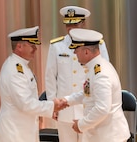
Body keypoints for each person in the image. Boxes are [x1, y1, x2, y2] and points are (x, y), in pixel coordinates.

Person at [45, 6, 109, 142]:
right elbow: (50, 77)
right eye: (68, 24)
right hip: (65, 111)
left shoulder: (97, 44)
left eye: (75, 23)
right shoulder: (57, 46)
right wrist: (53, 106)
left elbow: (104, 73)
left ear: (83, 23)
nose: (71, 28)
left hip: (89, 109)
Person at [0, 26, 68, 142]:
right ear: (19, 46)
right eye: (32, 45)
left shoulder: (21, 66)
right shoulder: (14, 70)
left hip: (23, 130)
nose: (35, 49)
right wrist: (52, 106)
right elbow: (25, 104)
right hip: (14, 132)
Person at [62, 28, 130, 142]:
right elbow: (88, 93)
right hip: (99, 135)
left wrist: (81, 124)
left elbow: (102, 108)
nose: (74, 53)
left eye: (76, 49)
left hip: (109, 137)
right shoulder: (95, 67)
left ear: (86, 51)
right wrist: (66, 101)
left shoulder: (101, 73)